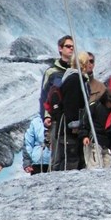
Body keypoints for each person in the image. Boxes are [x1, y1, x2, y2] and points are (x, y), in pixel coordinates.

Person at [53, 52, 92, 171]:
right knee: (71, 160)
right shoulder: (75, 80)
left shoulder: (75, 78)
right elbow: (71, 104)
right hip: (69, 129)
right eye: (88, 62)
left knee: (75, 159)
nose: (90, 65)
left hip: (71, 127)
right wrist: (75, 124)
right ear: (83, 64)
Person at [39, 35, 74, 166]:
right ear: (60, 48)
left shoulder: (76, 70)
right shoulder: (51, 72)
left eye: (73, 47)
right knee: (57, 154)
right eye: (68, 46)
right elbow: (44, 96)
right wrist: (45, 116)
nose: (71, 49)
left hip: (72, 117)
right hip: (56, 117)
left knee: (73, 153)